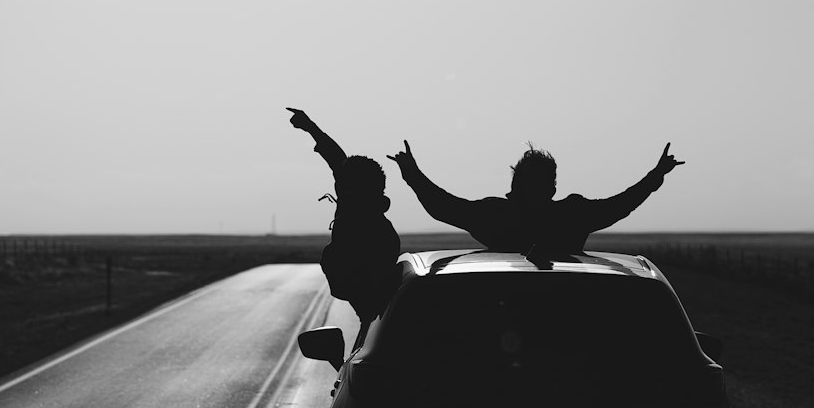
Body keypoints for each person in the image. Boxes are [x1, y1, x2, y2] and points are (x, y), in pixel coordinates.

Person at [387, 140, 685, 256]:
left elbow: (444, 207)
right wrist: (655, 175)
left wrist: (412, 174)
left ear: (513, 186)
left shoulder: (495, 216)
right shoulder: (572, 216)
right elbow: (621, 205)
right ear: (552, 189)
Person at [287, 107, 401, 332]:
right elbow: (336, 158)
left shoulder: (363, 226)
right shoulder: (374, 222)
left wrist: (310, 127)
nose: (340, 188)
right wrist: (310, 127)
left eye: (344, 184)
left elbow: (336, 159)